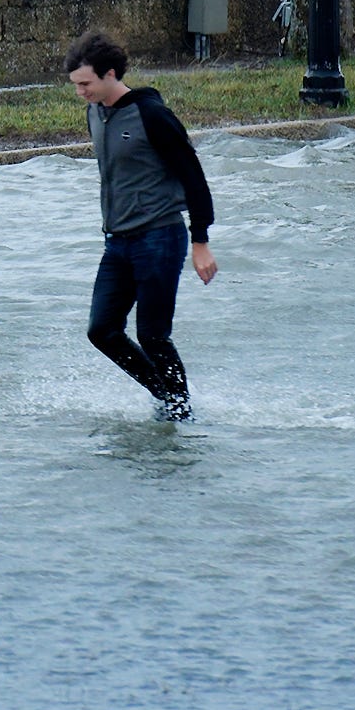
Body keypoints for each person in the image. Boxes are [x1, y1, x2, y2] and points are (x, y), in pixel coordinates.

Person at [66, 30, 217, 421]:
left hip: (160, 237)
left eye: (86, 83)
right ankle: (169, 397)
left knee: (152, 335)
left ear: (110, 74)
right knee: (101, 331)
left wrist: (200, 241)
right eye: (76, 85)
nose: (80, 91)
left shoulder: (152, 115)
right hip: (117, 243)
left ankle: (179, 415)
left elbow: (194, 177)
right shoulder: (95, 113)